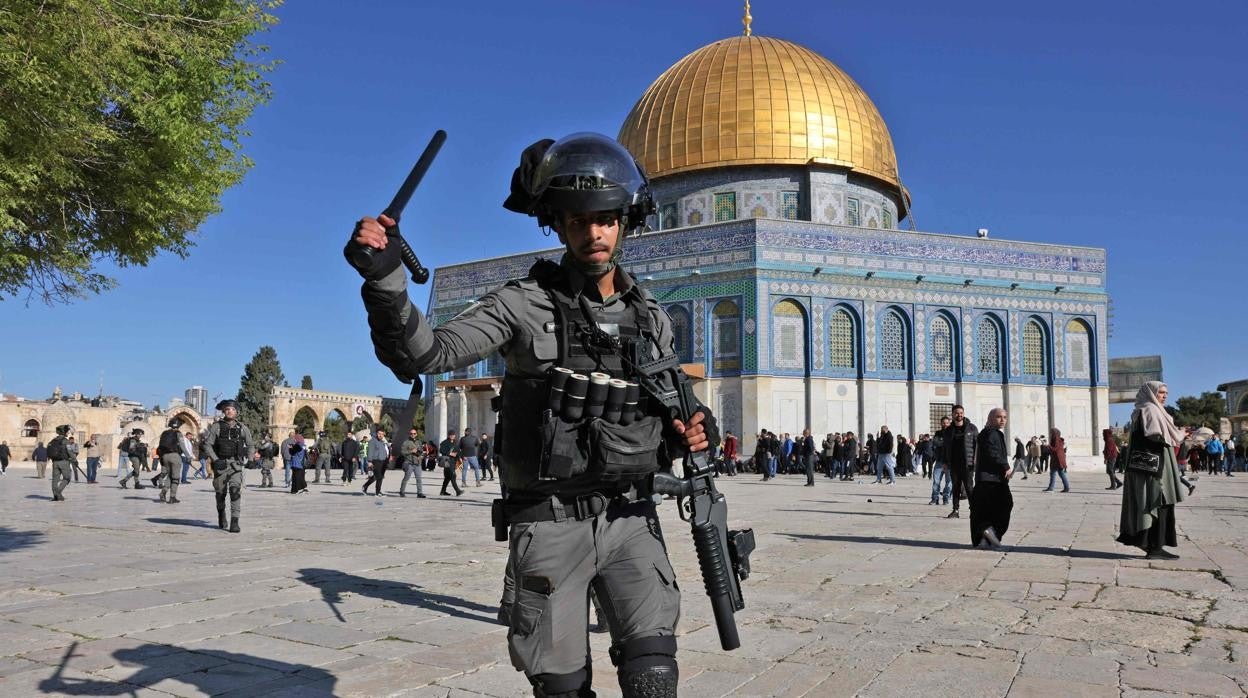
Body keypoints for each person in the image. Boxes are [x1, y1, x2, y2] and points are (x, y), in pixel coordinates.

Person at [346, 132, 716, 697]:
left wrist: (693, 427)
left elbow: (669, 408)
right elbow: (427, 354)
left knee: (653, 677)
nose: (593, 233)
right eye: (576, 221)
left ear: (625, 222)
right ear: (557, 225)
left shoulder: (652, 319)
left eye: (606, 220)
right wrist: (385, 280)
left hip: (631, 519)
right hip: (549, 522)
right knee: (562, 689)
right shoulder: (523, 304)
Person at [1117, 382, 1186, 559]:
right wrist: (1179, 435)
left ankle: (1149, 544)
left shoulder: (1142, 409)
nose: (1165, 396)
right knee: (1158, 501)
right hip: (1156, 468)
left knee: (1148, 502)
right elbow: (1155, 436)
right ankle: (1155, 548)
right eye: (1161, 392)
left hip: (1147, 467)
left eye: (1166, 393)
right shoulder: (1151, 410)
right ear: (1151, 393)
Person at [203, 400, 254, 533]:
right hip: (221, 464)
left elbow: (250, 445)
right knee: (220, 494)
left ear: (236, 411)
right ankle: (221, 514)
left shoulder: (242, 428)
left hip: (236, 465)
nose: (229, 411)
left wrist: (250, 459)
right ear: (223, 411)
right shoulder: (216, 427)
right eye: (227, 409)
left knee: (235, 492)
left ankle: (234, 522)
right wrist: (215, 459)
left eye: (232, 409)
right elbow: (207, 445)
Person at [971, 408, 1014, 548]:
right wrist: (1005, 465)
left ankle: (985, 540)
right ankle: (992, 531)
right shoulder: (992, 433)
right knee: (1005, 505)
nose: (1002, 420)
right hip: (993, 480)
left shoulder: (987, 432)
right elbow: (992, 451)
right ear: (991, 418)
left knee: (987, 511)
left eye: (1004, 417)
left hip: (985, 479)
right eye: (998, 417)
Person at [942, 406, 978, 519]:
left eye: (961, 413)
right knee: (956, 487)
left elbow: (977, 445)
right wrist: (945, 462)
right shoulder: (948, 430)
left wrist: (976, 459)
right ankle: (955, 510)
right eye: (957, 413)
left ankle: (974, 510)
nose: (959, 415)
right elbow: (945, 448)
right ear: (953, 415)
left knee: (969, 487)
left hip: (968, 464)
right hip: (954, 464)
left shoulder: (972, 428)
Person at [156, 416, 191, 504]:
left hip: (165, 456)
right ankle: (172, 497)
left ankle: (163, 492)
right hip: (175, 456)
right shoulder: (178, 433)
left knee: (170, 476)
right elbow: (182, 446)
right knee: (175, 478)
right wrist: (188, 456)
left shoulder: (164, 433)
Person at [46, 425, 74, 501]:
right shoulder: (65, 441)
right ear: (64, 432)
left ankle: (55, 495)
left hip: (55, 462)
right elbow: (70, 452)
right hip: (64, 462)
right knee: (67, 478)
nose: (68, 433)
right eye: (67, 432)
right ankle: (58, 492)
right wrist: (75, 460)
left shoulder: (53, 440)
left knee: (55, 479)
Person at [399, 427, 427, 498]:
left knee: (419, 478)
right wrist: (411, 451)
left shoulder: (419, 442)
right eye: (411, 433)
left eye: (414, 433)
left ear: (416, 434)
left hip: (417, 463)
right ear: (409, 434)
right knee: (406, 478)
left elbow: (421, 450)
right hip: (409, 463)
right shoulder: (406, 442)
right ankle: (402, 491)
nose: (413, 435)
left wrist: (421, 455)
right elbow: (402, 452)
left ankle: (419, 493)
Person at [930, 416, 952, 505]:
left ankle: (946, 497)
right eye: (944, 423)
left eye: (947, 423)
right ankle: (935, 498)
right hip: (939, 461)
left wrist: (943, 442)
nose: (945, 424)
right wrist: (946, 442)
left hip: (950, 462)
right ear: (941, 424)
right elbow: (935, 442)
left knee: (949, 482)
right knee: (936, 481)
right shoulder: (938, 433)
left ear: (949, 423)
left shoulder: (952, 433)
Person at [361, 429, 390, 496]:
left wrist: (386, 460)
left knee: (378, 476)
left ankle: (365, 486)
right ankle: (378, 492)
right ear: (376, 434)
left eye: (382, 434)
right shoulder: (372, 441)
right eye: (379, 433)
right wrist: (370, 461)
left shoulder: (382, 442)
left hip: (383, 462)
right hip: (375, 461)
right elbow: (370, 452)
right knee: (379, 477)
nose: (381, 435)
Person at [1043, 427, 1070, 493]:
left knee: (1054, 473)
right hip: (1057, 459)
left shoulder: (1056, 439)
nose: (1051, 434)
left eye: (1052, 433)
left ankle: (1051, 488)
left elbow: (1055, 449)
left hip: (1057, 460)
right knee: (1060, 473)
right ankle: (1066, 488)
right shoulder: (1057, 439)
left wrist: (1047, 445)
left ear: (1055, 433)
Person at [438, 430, 463, 497]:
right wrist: (450, 453)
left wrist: (459, 456)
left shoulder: (455, 443)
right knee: (453, 476)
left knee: (447, 477)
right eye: (451, 435)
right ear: (448, 435)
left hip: (454, 461)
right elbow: (441, 450)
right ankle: (458, 491)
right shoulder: (444, 442)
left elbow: (458, 451)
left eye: (453, 435)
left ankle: (443, 491)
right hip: (447, 462)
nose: (452, 436)